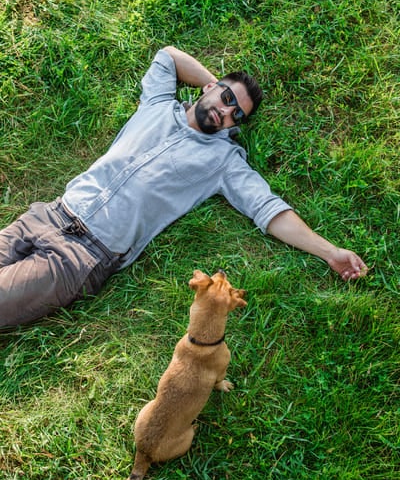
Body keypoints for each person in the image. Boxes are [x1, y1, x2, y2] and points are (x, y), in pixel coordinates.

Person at [0, 46, 368, 328]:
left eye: (235, 115)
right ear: (209, 87)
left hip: (80, 257)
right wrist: (216, 85)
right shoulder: (158, 104)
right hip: (48, 215)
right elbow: (168, 56)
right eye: (225, 98)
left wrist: (329, 251)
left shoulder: (224, 162)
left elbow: (269, 210)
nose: (225, 112)